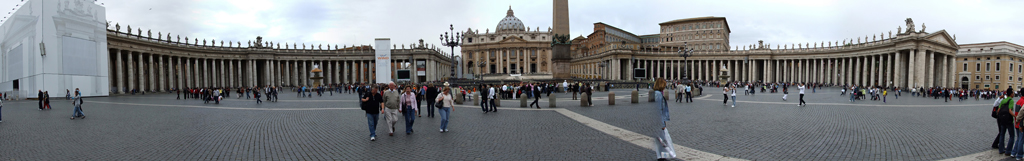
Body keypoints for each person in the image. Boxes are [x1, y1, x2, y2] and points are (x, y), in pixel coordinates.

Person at [652, 78, 675, 160]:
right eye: (664, 85)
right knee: (664, 140)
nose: (665, 87)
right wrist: (662, 124)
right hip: (659, 122)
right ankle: (663, 157)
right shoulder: (658, 94)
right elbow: (658, 109)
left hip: (658, 121)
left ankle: (661, 157)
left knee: (660, 141)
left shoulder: (658, 93)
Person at [996, 89, 1016, 154]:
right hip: (1009, 120)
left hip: (1002, 120)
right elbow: (1010, 110)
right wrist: (1015, 116)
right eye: (1013, 93)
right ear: (1011, 94)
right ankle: (1008, 151)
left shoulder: (1003, 100)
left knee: (1002, 134)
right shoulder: (1011, 100)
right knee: (1012, 136)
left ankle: (1001, 150)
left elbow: (998, 110)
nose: (1013, 94)